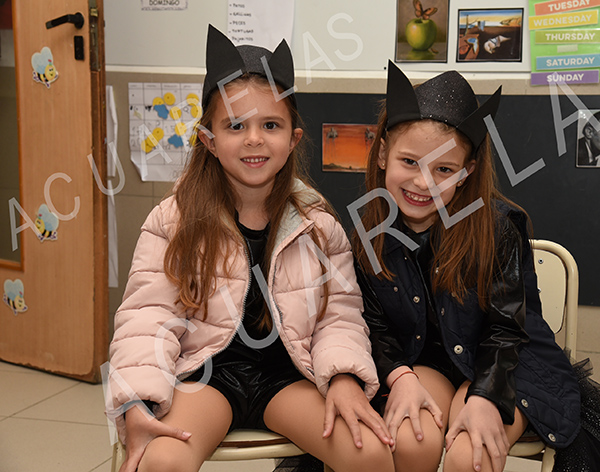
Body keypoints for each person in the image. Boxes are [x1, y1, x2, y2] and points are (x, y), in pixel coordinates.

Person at [105, 25, 395, 472]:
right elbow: (147, 317)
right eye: (235, 125)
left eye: (270, 125)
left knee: (370, 453)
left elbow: (339, 315)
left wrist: (342, 376)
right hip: (206, 375)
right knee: (161, 462)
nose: (254, 139)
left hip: (288, 375)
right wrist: (138, 401)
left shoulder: (320, 226)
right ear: (208, 140)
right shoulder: (173, 220)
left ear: (293, 139)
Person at [351, 62, 600, 472]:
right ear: (383, 153)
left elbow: (507, 328)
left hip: (506, 363)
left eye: (444, 169)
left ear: (466, 172)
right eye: (410, 162)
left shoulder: (497, 228)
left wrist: (484, 396)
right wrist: (401, 377)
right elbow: (375, 328)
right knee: (410, 443)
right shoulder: (369, 236)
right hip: (426, 364)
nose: (423, 183)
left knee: (471, 456)